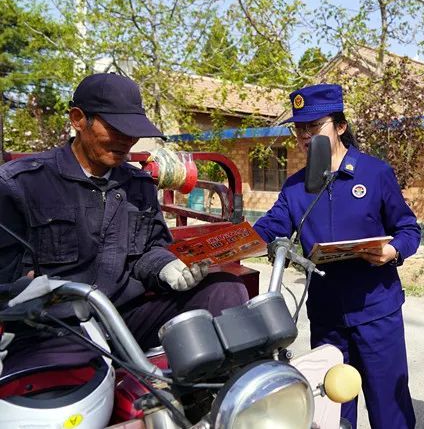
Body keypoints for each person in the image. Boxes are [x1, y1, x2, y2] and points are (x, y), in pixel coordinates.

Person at [0, 73, 249, 377]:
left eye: (133, 132)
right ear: (78, 119)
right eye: (116, 129)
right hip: (56, 329)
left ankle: (224, 391)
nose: (127, 141)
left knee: (226, 290)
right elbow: (7, 283)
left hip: (124, 319)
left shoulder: (139, 185)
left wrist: (165, 267)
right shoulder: (21, 185)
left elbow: (149, 249)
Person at [254, 83, 420, 429]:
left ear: (340, 126)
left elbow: (408, 229)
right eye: (299, 129)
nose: (305, 136)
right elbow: (270, 226)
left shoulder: (375, 174)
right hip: (327, 315)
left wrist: (392, 251)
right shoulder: (296, 186)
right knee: (332, 411)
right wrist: (225, 244)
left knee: (389, 407)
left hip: (376, 311)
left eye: (314, 126)